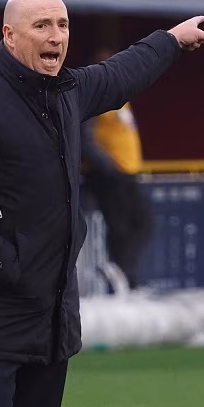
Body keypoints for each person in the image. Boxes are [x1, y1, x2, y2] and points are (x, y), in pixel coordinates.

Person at [0, 0, 204, 407]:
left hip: (50, 317)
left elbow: (119, 74)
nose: (55, 36)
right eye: (41, 25)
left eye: (62, 25)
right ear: (9, 35)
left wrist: (171, 40)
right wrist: (10, 264)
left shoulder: (65, 91)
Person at [80, 48, 154, 293]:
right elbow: (85, 138)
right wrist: (108, 166)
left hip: (129, 172)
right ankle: (123, 277)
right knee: (120, 227)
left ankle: (122, 271)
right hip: (110, 175)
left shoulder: (121, 96)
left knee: (143, 222)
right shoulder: (94, 97)